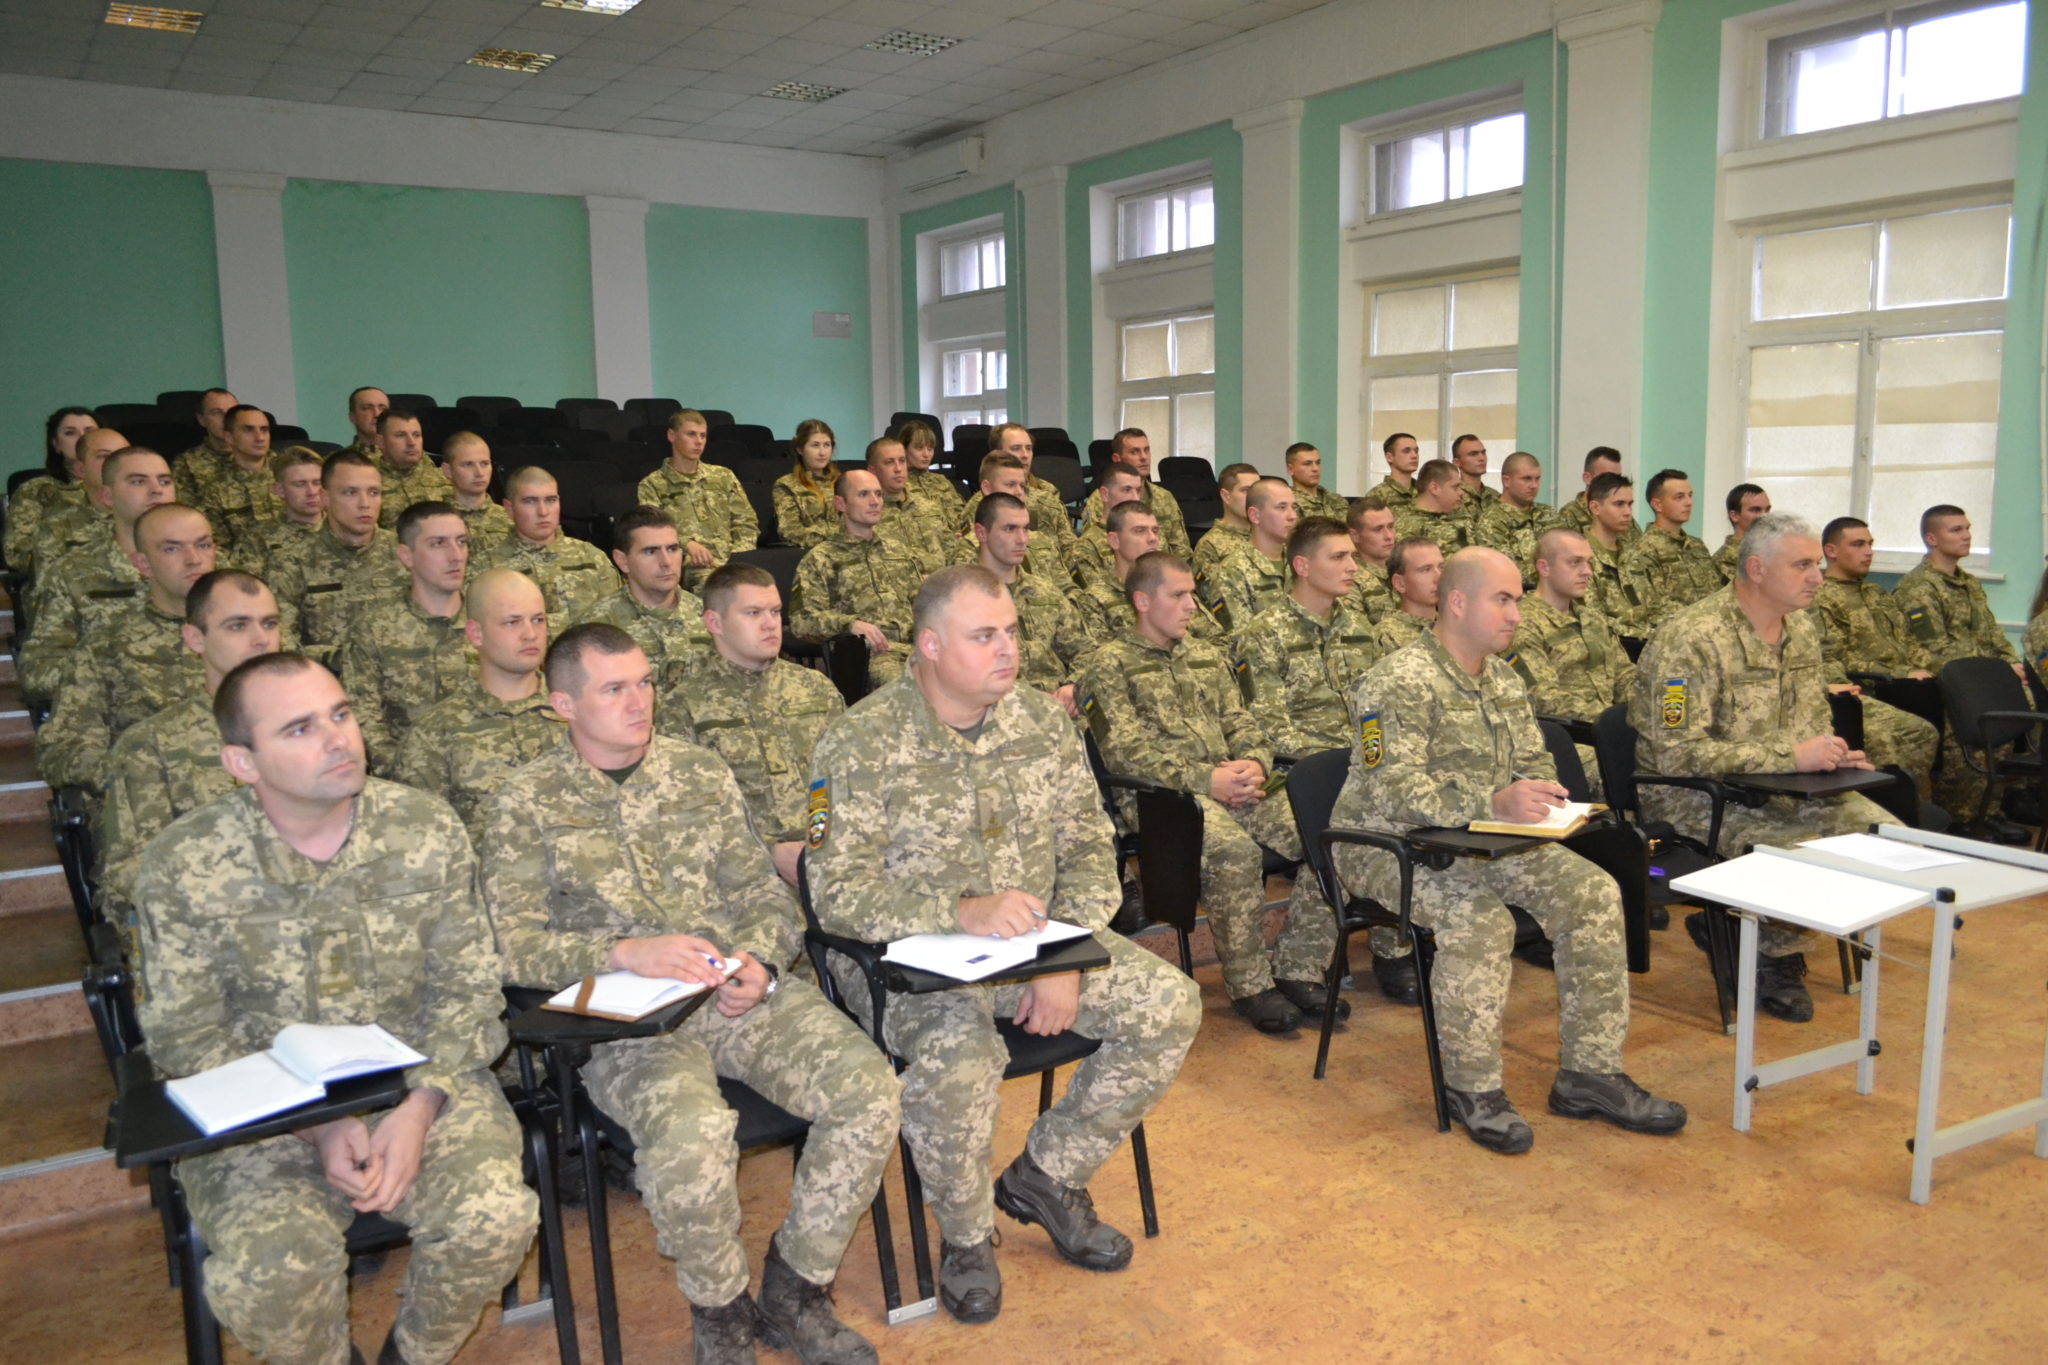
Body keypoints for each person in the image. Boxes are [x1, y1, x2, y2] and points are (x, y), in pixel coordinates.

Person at [481, 624, 899, 1365]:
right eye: (614, 688)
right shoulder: (525, 802)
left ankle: (796, 1283)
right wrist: (621, 951)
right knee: (693, 1136)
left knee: (868, 1089)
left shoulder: (699, 774)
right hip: (627, 1023)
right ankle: (722, 1308)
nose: (639, 701)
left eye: (644, 682)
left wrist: (762, 960)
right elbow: (509, 944)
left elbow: (763, 893)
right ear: (562, 705)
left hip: (732, 991)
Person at [808, 565, 1200, 1321]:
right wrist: (958, 909)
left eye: (1012, 631)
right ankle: (964, 1235)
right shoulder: (857, 740)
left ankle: (1045, 1176)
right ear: (926, 645)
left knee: (1169, 1005)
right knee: (960, 1058)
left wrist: (1065, 962)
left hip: (1037, 948)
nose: (1007, 649)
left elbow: (1093, 852)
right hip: (911, 966)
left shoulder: (1045, 726)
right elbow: (835, 896)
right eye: (984, 635)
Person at [135, 652, 537, 1365]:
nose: (337, 738)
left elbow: (469, 991)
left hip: (422, 1077)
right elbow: (188, 1036)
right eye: (299, 727)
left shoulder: (424, 826)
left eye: (341, 713)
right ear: (242, 760)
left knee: (495, 1219)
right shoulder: (184, 864)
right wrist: (318, 1125)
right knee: (271, 1273)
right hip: (262, 1109)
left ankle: (411, 1355)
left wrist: (416, 1110)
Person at [1333, 547, 1686, 1153]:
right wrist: (1494, 801)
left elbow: (1533, 760)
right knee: (1478, 922)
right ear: (1458, 602)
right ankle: (1472, 1088)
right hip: (1387, 841)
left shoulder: (1502, 676)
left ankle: (1589, 1073)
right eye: (1504, 599)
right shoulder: (1397, 680)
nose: (1517, 615)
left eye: (1519, 599)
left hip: (1487, 839)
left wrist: (1539, 795)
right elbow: (1391, 786)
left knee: (1596, 894)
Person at [1633, 513, 1900, 1022]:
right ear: (1756, 568)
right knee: (1803, 858)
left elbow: (1811, 720)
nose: (1817, 577)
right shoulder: (1688, 639)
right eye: (1802, 565)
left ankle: (1745, 929)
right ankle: (1771, 953)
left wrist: (1832, 753)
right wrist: (1791, 757)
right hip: (1694, 795)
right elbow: (1674, 755)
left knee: (1882, 839)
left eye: (1817, 565)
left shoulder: (1800, 629)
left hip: (1785, 786)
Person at [1079, 552, 1339, 1034]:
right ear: (1141, 600)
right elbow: (1125, 755)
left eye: (1192, 594)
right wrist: (1207, 781)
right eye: (1177, 596)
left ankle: (1298, 966)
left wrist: (1253, 763)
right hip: (1164, 800)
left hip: (1234, 785)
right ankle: (1250, 986)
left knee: (1329, 834)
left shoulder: (1205, 654)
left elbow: (1243, 722)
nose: (1191, 606)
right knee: (1235, 852)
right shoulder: (1108, 665)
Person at [1234, 518, 1416, 1003]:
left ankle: (1392, 950)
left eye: (1353, 557)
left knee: (1404, 820)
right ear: (1301, 565)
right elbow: (1268, 729)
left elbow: (1374, 711)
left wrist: (1371, 759)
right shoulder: (1262, 634)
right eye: (1338, 557)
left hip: (1354, 772)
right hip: (1290, 780)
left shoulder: (1358, 628)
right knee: (1337, 839)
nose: (1353, 567)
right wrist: (1342, 764)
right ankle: (1299, 967)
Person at [100, 570, 282, 963]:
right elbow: (129, 874)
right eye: (238, 625)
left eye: (269, 623)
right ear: (195, 639)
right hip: (213, 942)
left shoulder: (318, 730)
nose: (261, 639)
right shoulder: (151, 746)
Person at [662, 563, 845, 887]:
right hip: (748, 877)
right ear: (714, 623)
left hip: (837, 858)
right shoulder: (685, 707)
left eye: (775, 612)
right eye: (753, 613)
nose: (770, 624)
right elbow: (683, 818)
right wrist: (768, 853)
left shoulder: (816, 689)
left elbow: (853, 780)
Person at [1815, 516, 1984, 829]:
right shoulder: (1821, 596)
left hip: (1907, 683)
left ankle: (1951, 816)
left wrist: (1936, 669)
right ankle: (1906, 819)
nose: (1868, 552)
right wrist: (1903, 671)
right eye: (1858, 544)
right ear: (1831, 551)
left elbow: (1910, 644)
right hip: (1872, 687)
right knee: (1915, 732)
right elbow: (1836, 659)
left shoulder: (1878, 594)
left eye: (1870, 544)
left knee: (1967, 711)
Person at [36, 502, 215, 792]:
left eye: (204, 545)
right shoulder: (105, 646)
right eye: (172, 549)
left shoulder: (250, 632)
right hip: (152, 802)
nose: (194, 559)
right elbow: (62, 749)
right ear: (142, 564)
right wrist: (135, 772)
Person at [391, 569, 560, 838]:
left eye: (538, 619)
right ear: (476, 634)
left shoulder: (579, 711)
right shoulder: (435, 734)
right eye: (512, 622)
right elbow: (423, 844)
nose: (531, 634)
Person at [18, 443, 173, 701]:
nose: (156, 490)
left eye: (165, 481)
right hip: (113, 716)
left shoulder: (212, 564)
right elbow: (38, 669)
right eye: (137, 482)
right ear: (108, 497)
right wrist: (113, 674)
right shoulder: (73, 572)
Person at [340, 501, 475, 774]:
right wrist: (407, 773)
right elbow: (363, 717)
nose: (456, 556)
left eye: (461, 542)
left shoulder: (491, 619)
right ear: (406, 556)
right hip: (407, 784)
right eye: (438, 544)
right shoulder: (375, 629)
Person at [1505, 528, 1633, 789]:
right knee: (1636, 772)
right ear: (1544, 567)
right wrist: (1614, 721)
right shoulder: (1523, 624)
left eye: (1588, 562)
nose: (1586, 571)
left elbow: (1626, 676)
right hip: (1568, 738)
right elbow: (1543, 698)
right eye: (1574, 563)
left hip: (1614, 731)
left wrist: (1646, 710)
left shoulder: (1593, 619)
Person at [266, 450, 407, 671]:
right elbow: (280, 642)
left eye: (373, 492)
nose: (365, 503)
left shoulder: (406, 554)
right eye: (350, 492)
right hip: (328, 684)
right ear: (325, 498)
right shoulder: (292, 561)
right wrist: (340, 659)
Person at [788, 467, 924, 687]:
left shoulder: (900, 552)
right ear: (841, 504)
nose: (875, 502)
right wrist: (849, 624)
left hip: (919, 650)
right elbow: (802, 621)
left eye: (878, 494)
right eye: (863, 494)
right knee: (911, 685)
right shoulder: (822, 558)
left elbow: (923, 606)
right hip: (872, 657)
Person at [567, 503, 712, 691]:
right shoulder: (596, 629)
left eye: (672, 549)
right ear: (623, 561)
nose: (666, 562)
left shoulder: (710, 618)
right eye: (651, 551)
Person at [972, 491, 1092, 713]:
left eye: (1026, 529)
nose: (1022, 539)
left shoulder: (1045, 591)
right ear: (981, 533)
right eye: (1010, 529)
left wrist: (1073, 685)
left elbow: (1086, 650)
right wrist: (1026, 697)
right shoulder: (961, 597)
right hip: (999, 714)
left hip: (1062, 711)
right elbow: (959, 671)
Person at [1893, 504, 2024, 678]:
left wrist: (2012, 663)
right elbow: (1935, 650)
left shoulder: (1969, 583)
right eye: (1956, 530)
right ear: (1932, 539)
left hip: (1988, 673)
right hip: (1956, 678)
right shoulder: (1917, 588)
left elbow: (1993, 634)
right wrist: (2000, 671)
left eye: (1967, 529)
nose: (1966, 536)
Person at [483, 466, 618, 633]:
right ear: (509, 508)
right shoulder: (487, 567)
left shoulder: (592, 558)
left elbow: (615, 625)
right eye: (530, 501)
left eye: (550, 500)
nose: (543, 512)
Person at [636, 408, 759, 589]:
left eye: (703, 436)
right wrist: (687, 544)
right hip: (691, 564)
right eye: (691, 434)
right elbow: (653, 532)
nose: (698, 442)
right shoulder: (653, 484)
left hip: (733, 560)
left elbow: (746, 522)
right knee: (721, 592)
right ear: (672, 435)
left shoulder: (723, 476)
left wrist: (739, 556)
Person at [1073, 501, 1221, 647]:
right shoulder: (1094, 601)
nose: (1152, 538)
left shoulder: (1175, 588)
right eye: (1140, 531)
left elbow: (1220, 641)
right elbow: (1102, 660)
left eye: (1155, 531)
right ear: (1114, 540)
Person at [959, 424, 1081, 570]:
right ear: (998, 453)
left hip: (1053, 576)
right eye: (1016, 448)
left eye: (1028, 448)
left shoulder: (1048, 496)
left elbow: (1069, 547)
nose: (1024, 455)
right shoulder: (980, 506)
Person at [1621, 468, 1721, 630]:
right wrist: (1703, 620)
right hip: (1678, 638)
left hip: (1712, 633)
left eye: (1690, 495)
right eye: (1679, 497)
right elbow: (1654, 608)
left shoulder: (1697, 546)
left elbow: (1716, 593)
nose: (1689, 502)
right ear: (1657, 505)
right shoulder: (1643, 549)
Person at [1196, 475, 1298, 633]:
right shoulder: (1231, 573)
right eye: (1282, 507)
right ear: (1255, 515)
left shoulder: (1301, 563)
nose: (1293, 516)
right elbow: (1241, 641)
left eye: (1294, 507)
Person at [183, 403, 280, 565]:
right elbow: (216, 547)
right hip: (245, 572)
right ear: (229, 437)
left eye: (264, 430)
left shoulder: (290, 477)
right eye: (248, 430)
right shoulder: (214, 487)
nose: (260, 437)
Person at [6, 405, 96, 576]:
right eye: (70, 433)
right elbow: (17, 554)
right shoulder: (36, 490)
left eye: (90, 431)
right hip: (63, 585)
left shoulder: (125, 486)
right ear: (56, 444)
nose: (82, 438)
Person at [1073, 429, 1191, 558]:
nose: (1143, 457)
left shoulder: (1164, 497)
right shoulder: (1101, 500)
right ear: (1117, 459)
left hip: (1164, 572)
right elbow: (1096, 549)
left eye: (1146, 450)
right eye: (1134, 452)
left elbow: (1181, 551)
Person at [29, 424, 124, 581]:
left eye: (123, 455)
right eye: (104, 456)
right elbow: (51, 596)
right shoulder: (57, 528)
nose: (118, 464)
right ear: (81, 469)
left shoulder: (154, 520)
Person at [869, 433, 961, 573]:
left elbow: (952, 551)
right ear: (873, 471)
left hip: (942, 586)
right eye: (889, 462)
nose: (898, 468)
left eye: (902, 461)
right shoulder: (868, 515)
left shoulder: (928, 507)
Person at [1474, 452, 1562, 586]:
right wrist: (1556, 574)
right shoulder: (1492, 520)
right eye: (1526, 479)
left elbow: (1567, 556)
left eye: (1537, 479)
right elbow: (1505, 572)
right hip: (1518, 600)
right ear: (1506, 481)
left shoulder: (1548, 514)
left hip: (1557, 599)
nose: (1534, 485)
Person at [1581, 471, 1649, 636]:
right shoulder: (1580, 557)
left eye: (1630, 504)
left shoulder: (1633, 555)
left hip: (1645, 645)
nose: (1627, 512)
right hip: (1610, 647)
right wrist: (1643, 634)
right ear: (1595, 507)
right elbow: (1591, 619)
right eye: (1619, 504)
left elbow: (1653, 606)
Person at [245, 445, 328, 578]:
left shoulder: (347, 531)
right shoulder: (257, 540)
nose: (312, 492)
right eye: (300, 484)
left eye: (317, 483)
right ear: (279, 490)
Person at [371, 409, 453, 530]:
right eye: (401, 435)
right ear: (381, 442)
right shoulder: (368, 482)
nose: (411, 442)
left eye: (416, 435)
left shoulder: (443, 478)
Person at [1070, 464, 1147, 588]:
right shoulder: (1087, 546)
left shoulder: (1150, 535)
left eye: (1138, 490)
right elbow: (1097, 595)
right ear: (1105, 494)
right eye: (1126, 490)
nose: (1135, 498)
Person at [771, 418, 841, 551]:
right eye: (815, 445)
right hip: (811, 553)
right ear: (800, 449)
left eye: (827, 445)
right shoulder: (786, 485)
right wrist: (835, 540)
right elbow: (790, 531)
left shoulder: (843, 482)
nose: (822, 452)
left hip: (848, 551)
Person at [441, 432, 514, 557]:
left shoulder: (512, 519)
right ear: (448, 471)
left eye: (484, 464)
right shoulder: (435, 523)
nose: (479, 473)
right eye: (468, 464)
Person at [1188, 462, 1261, 580]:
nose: (1254, 496)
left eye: (1258, 490)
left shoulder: (1269, 536)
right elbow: (1211, 594)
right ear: (1226, 496)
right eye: (1246, 490)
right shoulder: (1210, 545)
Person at [1557, 446, 1637, 550]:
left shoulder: (1623, 513)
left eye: (1618, 477)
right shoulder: (1568, 516)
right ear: (1587, 478)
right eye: (1607, 477)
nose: (1615, 483)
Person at [1375, 536, 1442, 652]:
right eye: (1426, 570)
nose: (1439, 577)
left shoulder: (1454, 625)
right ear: (1400, 583)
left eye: (1441, 567)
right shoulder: (1386, 636)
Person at [1392, 459, 1470, 555]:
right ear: (1434, 488)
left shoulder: (1461, 517)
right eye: (1455, 487)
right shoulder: (1408, 526)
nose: (1461, 493)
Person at [893, 418, 963, 516]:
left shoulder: (942, 482)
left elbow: (962, 516)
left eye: (930, 449)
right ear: (904, 449)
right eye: (919, 448)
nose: (926, 454)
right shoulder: (897, 484)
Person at [1344, 495, 1397, 621]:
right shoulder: (1349, 578)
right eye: (1378, 529)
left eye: (1390, 527)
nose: (1388, 536)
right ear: (1355, 536)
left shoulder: (1403, 570)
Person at [174, 388, 236, 482]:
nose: (226, 419)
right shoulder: (187, 464)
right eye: (217, 412)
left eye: (232, 412)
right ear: (201, 419)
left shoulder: (262, 456)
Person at [1714, 483, 1769, 581]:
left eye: (1767, 510)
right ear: (1734, 516)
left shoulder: (1771, 552)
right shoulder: (1724, 561)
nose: (1764, 516)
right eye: (1756, 510)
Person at [1285, 442, 1349, 522]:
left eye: (1318, 463)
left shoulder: (1336, 500)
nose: (1315, 469)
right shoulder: (1288, 502)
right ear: (1290, 469)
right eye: (1307, 464)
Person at [1366, 431, 1421, 512]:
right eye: (1406, 451)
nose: (1414, 455)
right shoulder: (1377, 496)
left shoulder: (1424, 492)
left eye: (1416, 451)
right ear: (1389, 457)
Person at [1448, 434, 1497, 522]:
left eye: (1483, 453)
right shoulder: (1452, 497)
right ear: (1457, 462)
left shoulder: (1495, 496)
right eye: (1473, 454)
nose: (1482, 458)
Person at [341, 385, 389, 459]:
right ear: (352, 417)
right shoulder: (340, 461)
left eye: (382, 408)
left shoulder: (407, 456)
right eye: (367, 408)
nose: (377, 414)